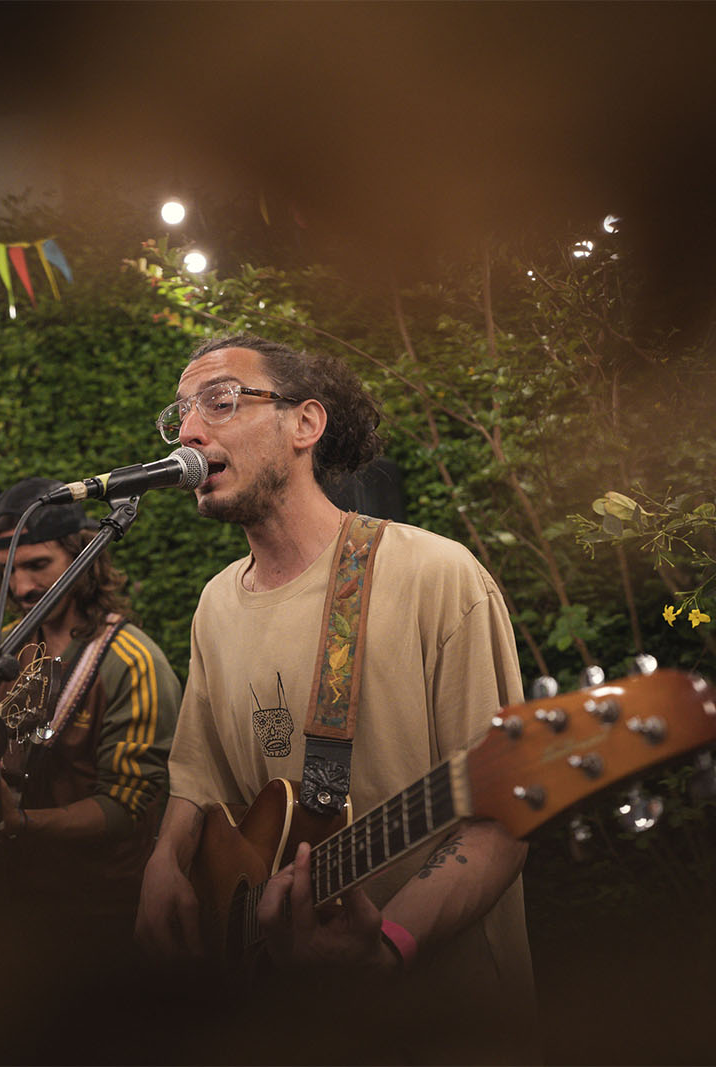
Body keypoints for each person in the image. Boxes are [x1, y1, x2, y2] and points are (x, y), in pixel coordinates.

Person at [135, 333, 536, 1063]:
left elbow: (504, 818)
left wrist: (388, 945)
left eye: (219, 402)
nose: (189, 430)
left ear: (305, 423)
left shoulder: (435, 576)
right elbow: (198, 776)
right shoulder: (216, 604)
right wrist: (164, 861)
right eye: (181, 413)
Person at [0, 476, 182, 959]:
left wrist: (21, 822)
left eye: (38, 565)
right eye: (7, 571)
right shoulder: (5, 648)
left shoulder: (133, 663)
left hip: (88, 922)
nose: (20, 588)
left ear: (84, 560)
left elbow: (127, 810)